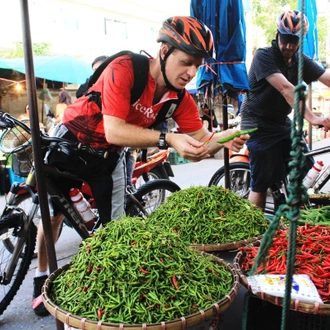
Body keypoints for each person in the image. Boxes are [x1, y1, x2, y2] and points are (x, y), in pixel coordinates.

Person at [32, 16, 250, 316]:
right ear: (164, 51)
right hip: (70, 142)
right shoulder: (126, 68)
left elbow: (200, 145)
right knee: (53, 216)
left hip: (108, 158)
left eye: (197, 65)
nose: (191, 72)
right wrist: (169, 139)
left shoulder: (180, 100)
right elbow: (115, 130)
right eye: (186, 61)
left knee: (114, 229)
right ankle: (40, 275)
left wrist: (220, 140)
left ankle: (103, 291)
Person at [239, 9, 330, 211]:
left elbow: (326, 78)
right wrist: (313, 117)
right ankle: (258, 233)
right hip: (256, 123)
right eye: (286, 39)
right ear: (277, 34)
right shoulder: (264, 56)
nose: (289, 46)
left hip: (280, 122)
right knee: (260, 185)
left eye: (294, 41)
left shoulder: (300, 60)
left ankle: (294, 211)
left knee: (306, 166)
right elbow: (286, 88)